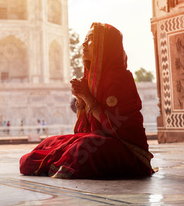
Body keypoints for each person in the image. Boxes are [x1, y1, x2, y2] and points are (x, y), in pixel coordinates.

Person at [20, 23, 154, 179]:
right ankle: (59, 164)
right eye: (85, 39)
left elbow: (114, 127)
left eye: (91, 39)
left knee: (83, 149)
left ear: (105, 46)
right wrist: (80, 99)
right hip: (100, 140)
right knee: (49, 143)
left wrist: (88, 98)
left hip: (128, 149)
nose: (83, 44)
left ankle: (60, 164)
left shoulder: (120, 79)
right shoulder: (92, 79)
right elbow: (84, 129)